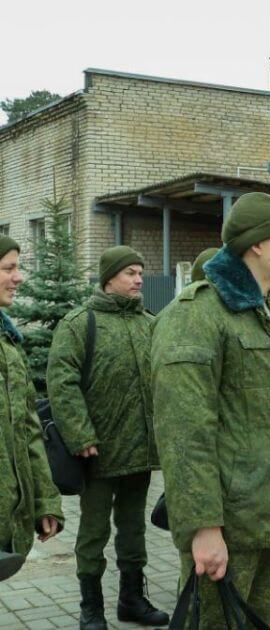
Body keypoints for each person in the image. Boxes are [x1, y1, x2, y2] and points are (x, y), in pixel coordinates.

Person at [151, 192, 270, 627]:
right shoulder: (198, 315)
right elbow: (185, 431)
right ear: (257, 244)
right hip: (229, 528)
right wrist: (203, 527)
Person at [47, 246, 168, 629]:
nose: (139, 280)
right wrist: (80, 434)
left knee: (133, 529)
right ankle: (91, 609)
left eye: (140, 273)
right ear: (109, 277)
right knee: (93, 532)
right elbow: (61, 382)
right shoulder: (80, 323)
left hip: (140, 452)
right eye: (130, 272)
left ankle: (132, 600)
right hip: (96, 454)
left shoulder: (150, 323)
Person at [0, 235, 64, 581]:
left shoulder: (9, 346)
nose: (19, 277)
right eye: (8, 268)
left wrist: (44, 502)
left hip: (8, 518)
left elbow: (28, 430)